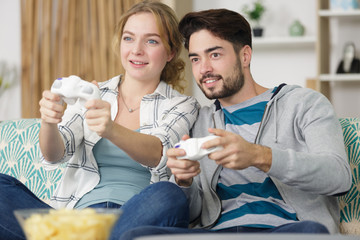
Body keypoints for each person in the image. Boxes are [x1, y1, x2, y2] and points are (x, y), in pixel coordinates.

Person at [114, 8, 352, 240]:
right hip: (218, 233)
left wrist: (260, 156)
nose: (204, 68)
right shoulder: (200, 120)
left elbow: (338, 176)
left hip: (287, 230)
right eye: (196, 58)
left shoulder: (303, 103)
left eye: (215, 55)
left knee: (311, 234)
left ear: (245, 55)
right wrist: (184, 181)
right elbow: (196, 211)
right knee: (139, 236)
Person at [0, 1, 199, 239]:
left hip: (135, 217)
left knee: (168, 195)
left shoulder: (182, 105)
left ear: (170, 52)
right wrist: (49, 120)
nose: (136, 50)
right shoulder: (93, 92)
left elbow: (161, 152)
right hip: (77, 219)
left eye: (151, 41)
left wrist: (111, 129)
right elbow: (55, 154)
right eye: (129, 38)